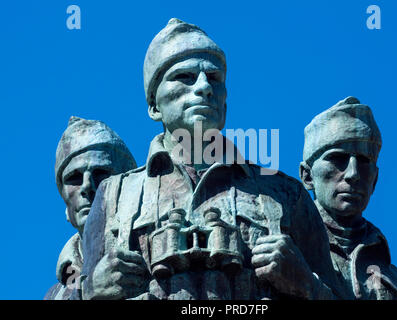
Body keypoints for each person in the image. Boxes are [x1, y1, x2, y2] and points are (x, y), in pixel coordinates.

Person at [77, 18, 343, 300]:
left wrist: (307, 285)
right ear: (154, 106)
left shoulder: (286, 194)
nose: (204, 87)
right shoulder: (113, 196)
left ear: (225, 105)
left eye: (214, 79)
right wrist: (89, 291)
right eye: (185, 77)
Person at [300, 96, 397, 299]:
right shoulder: (284, 247)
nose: (353, 174)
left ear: (374, 180)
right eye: (337, 158)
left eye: (364, 161)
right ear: (307, 176)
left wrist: (306, 285)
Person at [44, 116, 137, 300]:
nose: (87, 186)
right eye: (74, 178)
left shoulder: (148, 246)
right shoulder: (56, 295)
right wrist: (88, 291)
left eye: (101, 173)